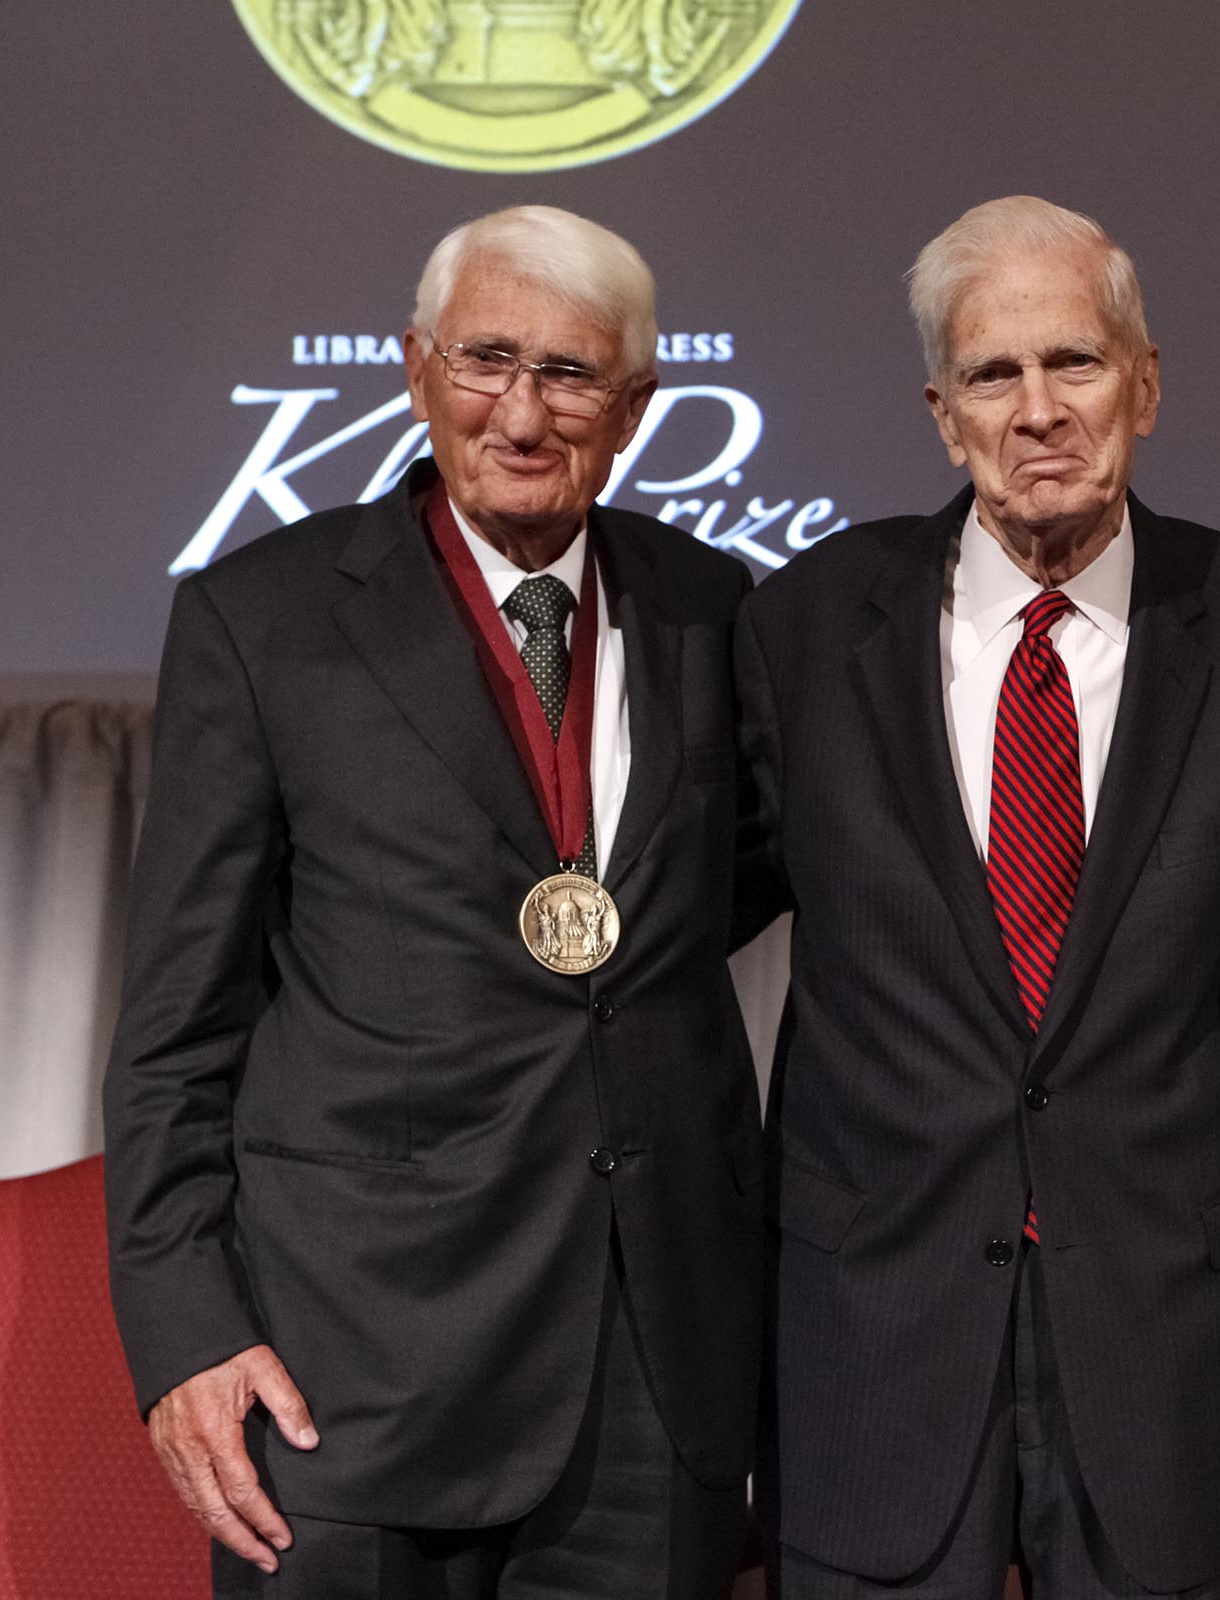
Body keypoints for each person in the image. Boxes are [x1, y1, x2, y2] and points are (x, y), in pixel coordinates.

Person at [104, 204, 761, 1599]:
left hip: (647, 1380)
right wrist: (184, 1331)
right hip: (349, 1382)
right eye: (485, 359)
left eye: (571, 374)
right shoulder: (262, 618)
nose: (522, 413)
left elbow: (716, 898)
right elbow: (177, 1025)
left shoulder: (721, 611)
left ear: (636, 405)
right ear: (414, 368)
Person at [735, 196, 1220, 1598]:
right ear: (943, 414)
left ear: (1147, 384)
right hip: (874, 1333)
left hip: (1160, 1348)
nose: (1040, 409)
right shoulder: (807, 625)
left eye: (1077, 363)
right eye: (996, 374)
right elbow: (673, 922)